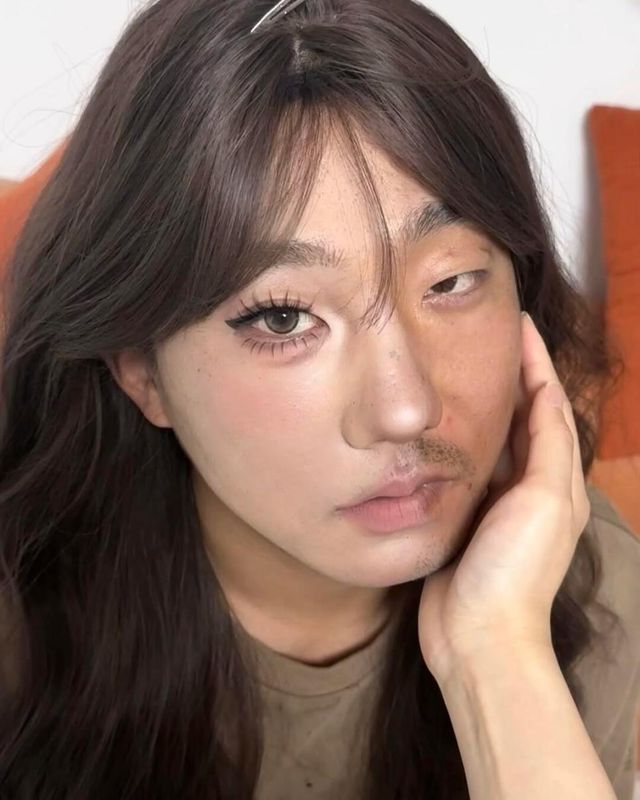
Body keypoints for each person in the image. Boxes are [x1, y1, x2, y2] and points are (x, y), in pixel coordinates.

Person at [0, 0, 638, 797]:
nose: (405, 409)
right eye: (283, 318)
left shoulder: (592, 587)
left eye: (449, 282)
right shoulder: (22, 619)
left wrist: (499, 654)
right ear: (142, 372)